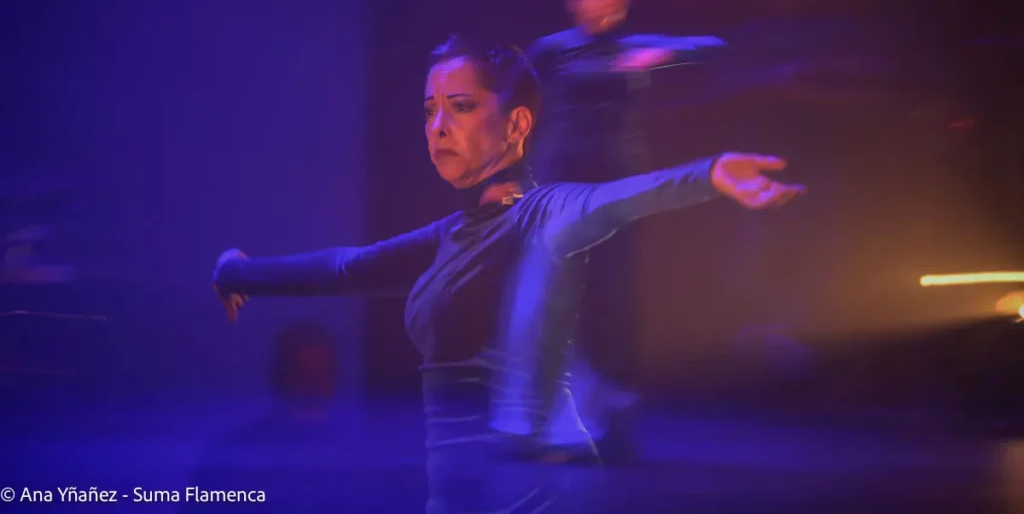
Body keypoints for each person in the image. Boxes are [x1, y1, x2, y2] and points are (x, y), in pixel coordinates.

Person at [211, 35, 805, 512]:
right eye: (430, 110)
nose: (437, 126)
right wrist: (241, 272)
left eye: (461, 106)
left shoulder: (546, 213)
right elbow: (345, 268)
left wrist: (709, 174)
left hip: (529, 489)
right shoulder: (451, 234)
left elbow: (617, 198)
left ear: (517, 126)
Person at [525, 0, 725, 462]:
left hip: (619, 188)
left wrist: (658, 55)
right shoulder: (553, 51)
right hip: (563, 187)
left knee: (613, 301)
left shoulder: (635, 48)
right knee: (559, 299)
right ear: (573, 1)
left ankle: (615, 419)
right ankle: (554, 421)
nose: (599, 3)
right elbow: (506, 94)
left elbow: (710, 48)